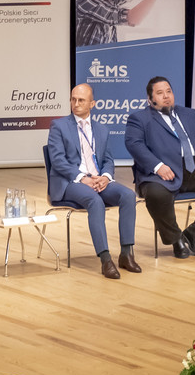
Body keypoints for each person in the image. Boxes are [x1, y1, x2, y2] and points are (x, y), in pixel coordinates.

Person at [124, 76, 195, 259]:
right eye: (160, 93)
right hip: (162, 174)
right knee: (157, 195)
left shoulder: (190, 114)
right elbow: (134, 145)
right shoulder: (139, 119)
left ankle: (194, 234)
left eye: (169, 91)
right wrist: (158, 166)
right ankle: (176, 239)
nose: (166, 96)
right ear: (150, 99)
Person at [47, 84, 141, 278]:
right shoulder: (59, 126)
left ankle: (126, 254)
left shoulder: (101, 129)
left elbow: (108, 160)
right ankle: (105, 259)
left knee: (128, 195)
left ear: (92, 104)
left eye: (81, 100)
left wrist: (105, 177)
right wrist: (83, 178)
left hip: (97, 180)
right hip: (71, 182)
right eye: (73, 99)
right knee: (95, 201)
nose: (75, 104)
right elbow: (57, 161)